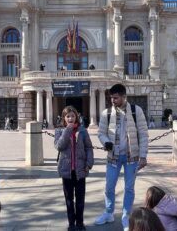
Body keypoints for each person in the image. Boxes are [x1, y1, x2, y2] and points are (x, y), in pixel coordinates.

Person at [94, 84, 148, 231]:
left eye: (116, 98)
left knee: (129, 188)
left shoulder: (136, 111)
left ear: (124, 97)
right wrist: (106, 142)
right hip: (113, 156)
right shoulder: (107, 113)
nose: (113, 100)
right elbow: (101, 132)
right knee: (109, 187)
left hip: (132, 157)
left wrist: (143, 156)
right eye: (111, 98)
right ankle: (109, 212)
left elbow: (143, 133)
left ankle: (126, 216)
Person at [54, 106, 94, 231]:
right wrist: (67, 131)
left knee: (80, 199)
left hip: (80, 170)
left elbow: (89, 147)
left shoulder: (82, 130)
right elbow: (59, 146)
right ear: (64, 118)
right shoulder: (59, 131)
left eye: (72, 116)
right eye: (68, 116)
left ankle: (80, 223)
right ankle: (71, 224)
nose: (70, 118)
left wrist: (89, 163)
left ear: (76, 116)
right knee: (69, 199)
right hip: (66, 171)